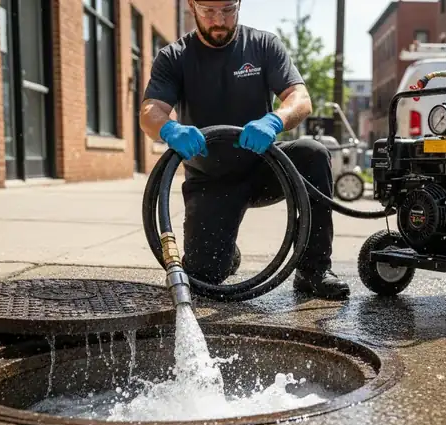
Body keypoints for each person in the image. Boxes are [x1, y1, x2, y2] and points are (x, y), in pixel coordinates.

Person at [139, 0, 350, 300]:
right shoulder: (175, 57)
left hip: (264, 167)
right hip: (211, 179)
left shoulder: (263, 45)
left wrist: (275, 120)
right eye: (208, 11)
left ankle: (312, 270)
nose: (219, 21)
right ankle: (225, 252)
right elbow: (150, 111)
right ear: (191, 7)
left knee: (313, 153)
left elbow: (300, 98)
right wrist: (170, 129)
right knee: (205, 278)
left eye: (227, 10)